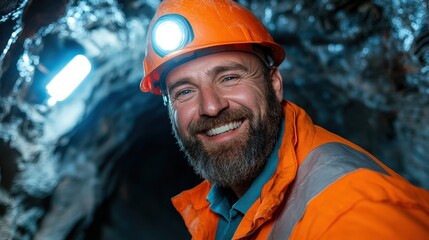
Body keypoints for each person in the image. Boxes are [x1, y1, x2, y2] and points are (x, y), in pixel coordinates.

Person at [139, 0, 429, 239]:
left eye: (229, 77)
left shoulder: (356, 214)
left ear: (275, 84)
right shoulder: (221, 206)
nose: (211, 107)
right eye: (185, 91)